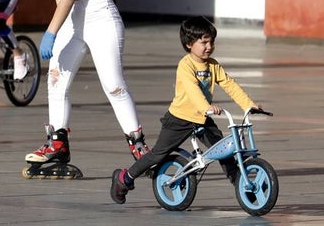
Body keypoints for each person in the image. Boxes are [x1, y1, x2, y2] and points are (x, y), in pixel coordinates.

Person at [24, 0, 148, 178]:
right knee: (55, 79)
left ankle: (139, 147)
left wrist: (50, 32)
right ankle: (57, 143)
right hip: (72, 18)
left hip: (98, 13)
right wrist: (61, 30)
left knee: (113, 85)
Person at [111, 16, 263, 203]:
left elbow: (230, 85)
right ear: (189, 44)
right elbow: (192, 90)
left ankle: (242, 184)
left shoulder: (213, 65)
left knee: (226, 152)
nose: (209, 46)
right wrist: (206, 107)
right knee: (159, 153)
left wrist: (249, 104)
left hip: (202, 119)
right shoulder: (186, 65)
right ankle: (124, 178)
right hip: (179, 119)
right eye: (204, 42)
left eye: (212, 42)